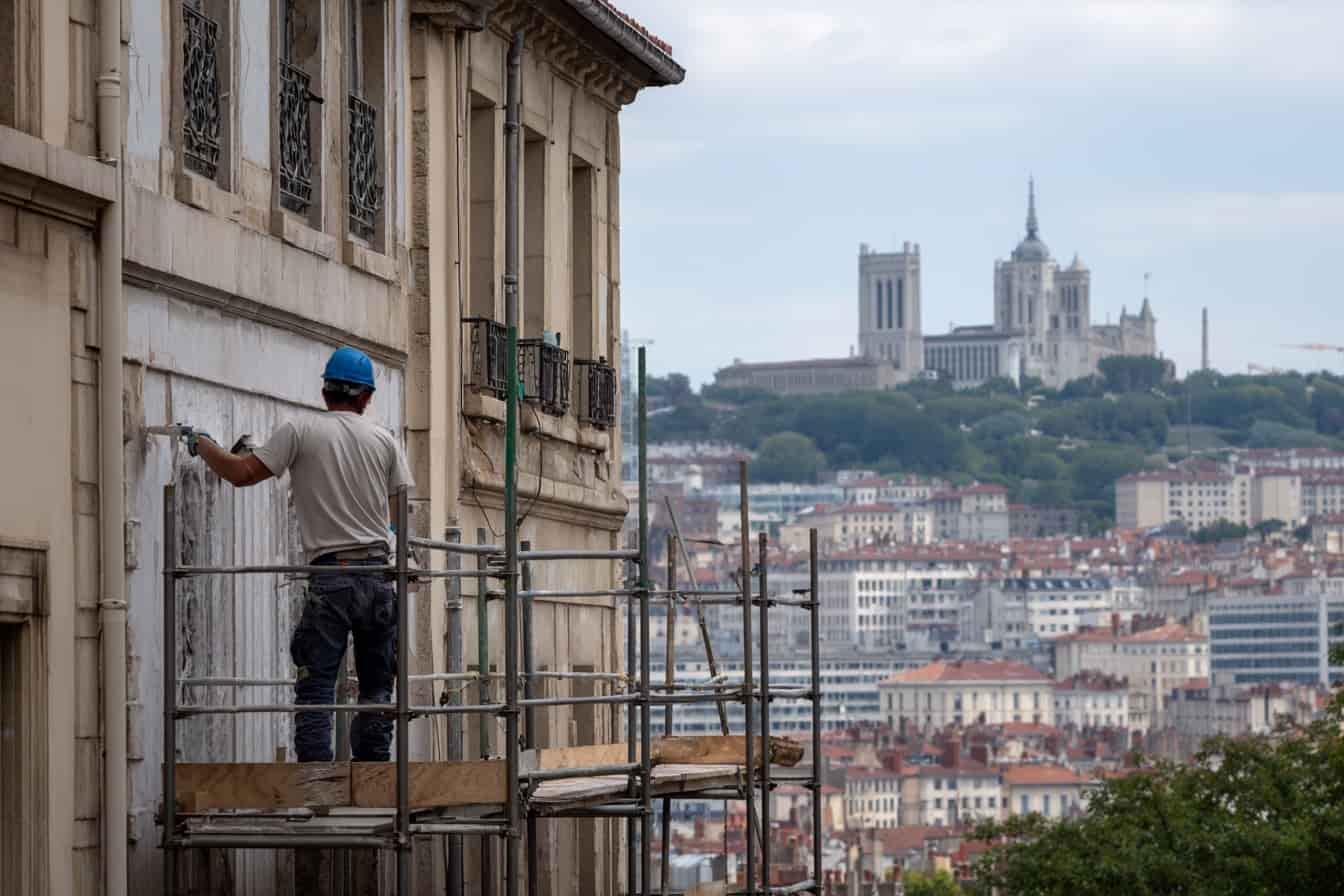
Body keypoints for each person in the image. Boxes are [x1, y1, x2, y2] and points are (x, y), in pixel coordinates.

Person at [185, 346, 413, 762]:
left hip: (331, 577)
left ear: (325, 392)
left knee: (316, 687)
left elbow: (242, 474)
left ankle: (318, 790)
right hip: (378, 576)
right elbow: (400, 510)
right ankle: (375, 781)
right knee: (378, 687)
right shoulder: (384, 441)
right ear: (366, 397)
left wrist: (201, 444)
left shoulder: (300, 431)